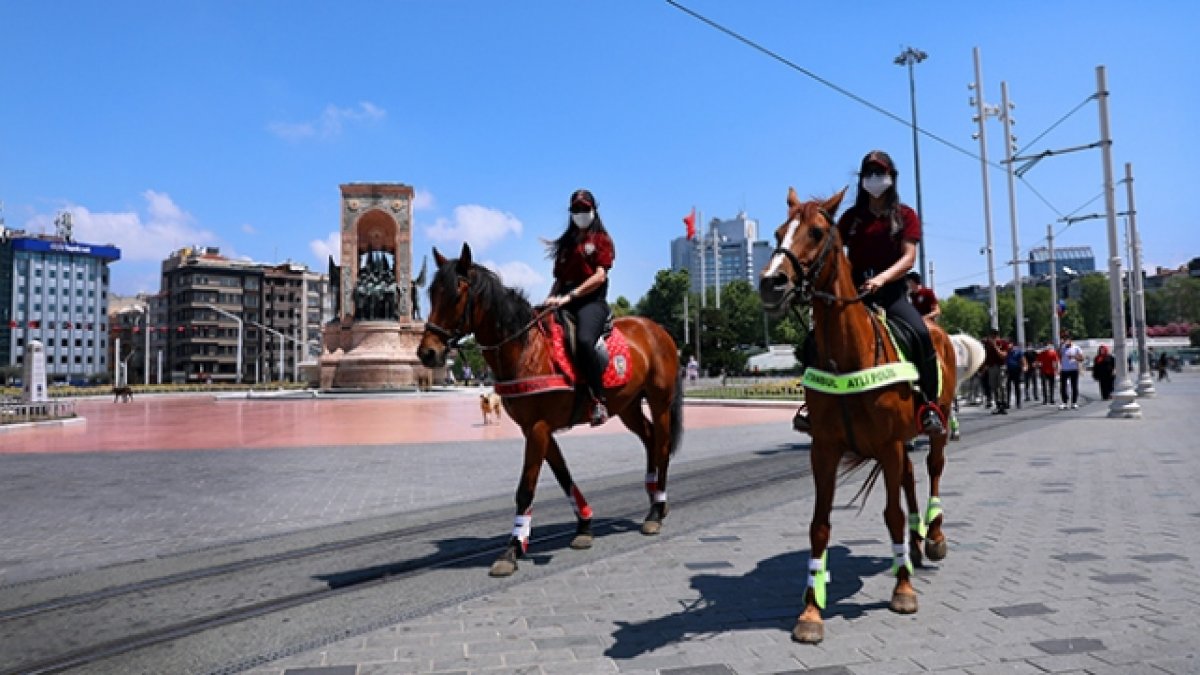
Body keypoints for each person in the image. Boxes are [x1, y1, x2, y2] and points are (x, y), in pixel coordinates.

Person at [794, 150, 944, 435]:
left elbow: (909, 258)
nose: (875, 179)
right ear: (862, 179)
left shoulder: (905, 215)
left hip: (892, 294)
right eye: (869, 174)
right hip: (856, 295)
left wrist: (882, 279)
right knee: (813, 341)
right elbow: (833, 252)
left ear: (891, 178)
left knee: (922, 335)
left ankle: (929, 406)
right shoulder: (851, 218)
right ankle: (812, 407)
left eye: (880, 173)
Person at [544, 188, 616, 426]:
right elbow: (559, 279)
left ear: (593, 210)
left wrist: (571, 296)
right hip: (563, 299)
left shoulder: (601, 240)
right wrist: (550, 298)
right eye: (576, 210)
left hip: (591, 302)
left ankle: (598, 399)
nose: (580, 213)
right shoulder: (566, 245)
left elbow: (599, 277)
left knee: (584, 340)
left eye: (584, 209)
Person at [981, 327, 1011, 414]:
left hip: (1001, 366)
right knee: (994, 386)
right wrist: (983, 368)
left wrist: (995, 346)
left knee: (1002, 385)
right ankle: (998, 404)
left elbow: (1003, 355)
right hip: (991, 367)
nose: (992, 337)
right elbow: (986, 357)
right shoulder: (987, 344)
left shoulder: (1003, 343)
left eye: (994, 335)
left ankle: (1003, 404)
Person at [1058, 333, 1084, 409]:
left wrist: (1074, 357)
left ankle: (1074, 402)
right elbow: (1057, 355)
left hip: (1074, 369)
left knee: (1074, 386)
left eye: (1067, 339)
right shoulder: (1062, 348)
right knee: (1063, 387)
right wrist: (1060, 346)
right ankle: (1064, 402)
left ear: (1070, 340)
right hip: (1064, 369)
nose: (1066, 341)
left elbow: (1082, 359)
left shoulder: (1076, 348)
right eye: (1064, 339)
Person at [1036, 339, 1059, 405]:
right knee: (1045, 386)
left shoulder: (1053, 353)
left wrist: (1057, 370)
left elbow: (1056, 362)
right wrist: (1038, 366)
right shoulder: (1041, 353)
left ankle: (1051, 399)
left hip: (1051, 371)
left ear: (1050, 345)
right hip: (1044, 371)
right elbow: (1037, 362)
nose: (1047, 346)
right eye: (1046, 345)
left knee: (1051, 386)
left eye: (1048, 345)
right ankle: (1046, 399)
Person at [1004, 340, 1026, 410]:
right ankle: (1008, 403)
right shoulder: (1007, 352)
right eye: (1007, 345)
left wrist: (1024, 366)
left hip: (1017, 371)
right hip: (1009, 371)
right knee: (1008, 387)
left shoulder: (1018, 351)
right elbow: (1004, 360)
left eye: (1009, 344)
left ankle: (1018, 403)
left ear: (1012, 344)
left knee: (1017, 387)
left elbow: (1023, 360)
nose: (1008, 346)